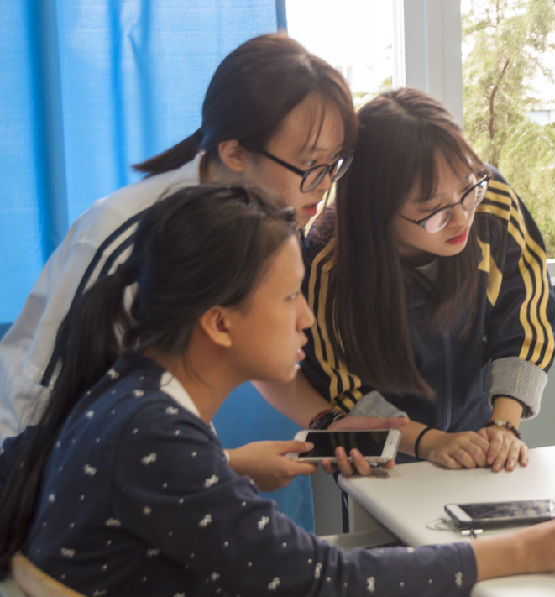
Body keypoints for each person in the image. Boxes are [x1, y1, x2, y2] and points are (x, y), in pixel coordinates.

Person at [0, 185, 555, 596]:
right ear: (219, 322)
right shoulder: (158, 434)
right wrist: (533, 546)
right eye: (290, 297)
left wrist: (227, 466)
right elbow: (324, 581)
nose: (308, 318)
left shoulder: (127, 392)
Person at [0, 32, 401, 488]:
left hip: (144, 462)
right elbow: (42, 408)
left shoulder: (264, 220)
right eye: (310, 165)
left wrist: (325, 422)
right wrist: (220, 463)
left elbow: (257, 340)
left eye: (334, 165)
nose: (324, 185)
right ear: (234, 152)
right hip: (42, 479)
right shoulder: (128, 233)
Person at [300, 88, 555, 472]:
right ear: (377, 212)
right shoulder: (328, 258)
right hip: (384, 456)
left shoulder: (492, 200)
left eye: (468, 190)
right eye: (434, 211)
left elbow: (527, 316)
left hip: (478, 440)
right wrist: (429, 442)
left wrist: (503, 426)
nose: (462, 218)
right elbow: (338, 383)